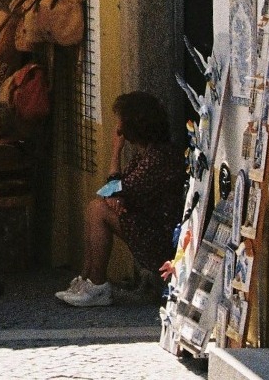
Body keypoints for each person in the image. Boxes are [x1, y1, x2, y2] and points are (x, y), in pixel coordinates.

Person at [56, 91, 187, 307]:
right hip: (148, 227)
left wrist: (116, 152)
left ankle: (97, 286)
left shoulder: (158, 158)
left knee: (98, 210)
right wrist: (117, 196)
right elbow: (115, 190)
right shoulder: (146, 154)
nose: (117, 129)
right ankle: (87, 279)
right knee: (95, 207)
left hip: (159, 238)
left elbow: (114, 188)